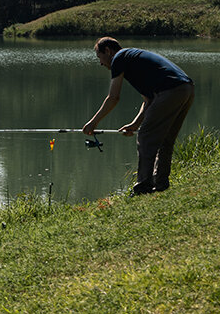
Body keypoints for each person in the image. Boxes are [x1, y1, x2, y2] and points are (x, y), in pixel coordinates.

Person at [82, 36, 195, 196]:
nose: (101, 63)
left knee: (145, 137)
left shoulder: (119, 58)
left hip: (171, 91)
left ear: (108, 51)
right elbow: (149, 100)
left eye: (99, 57)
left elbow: (113, 97)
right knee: (165, 140)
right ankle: (160, 185)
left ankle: (143, 187)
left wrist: (93, 122)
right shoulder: (132, 60)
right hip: (186, 89)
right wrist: (134, 124)